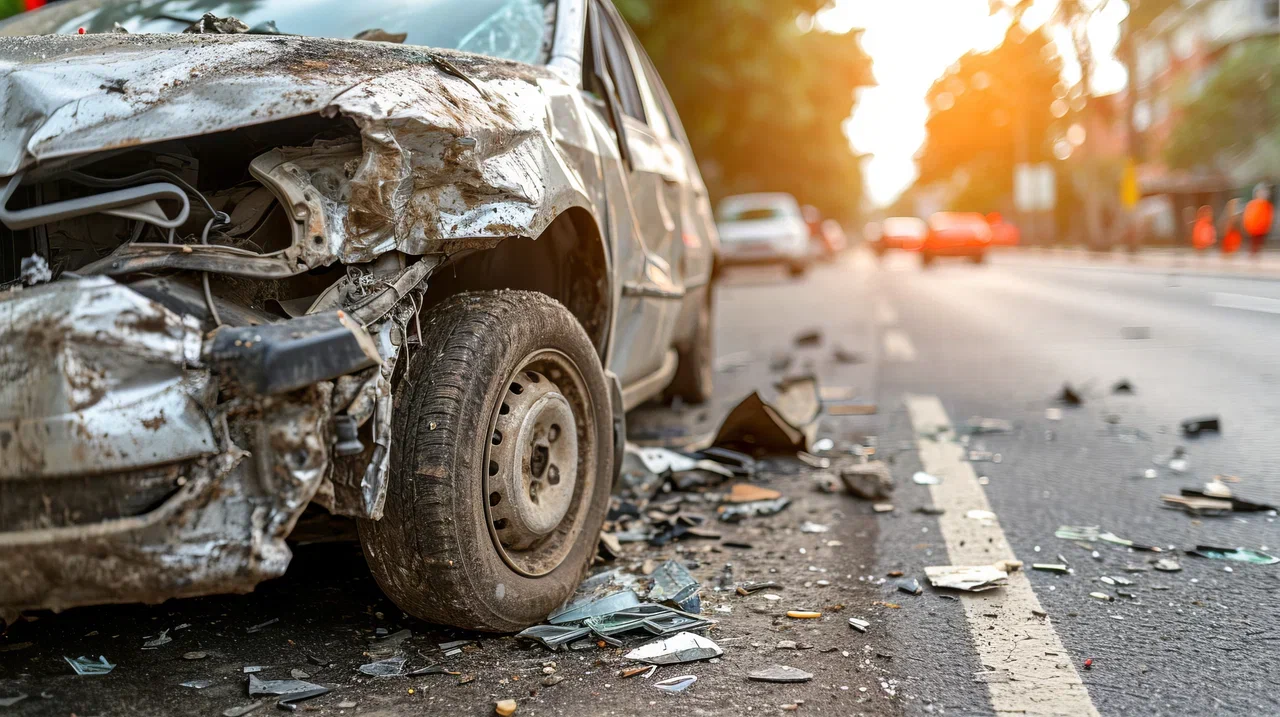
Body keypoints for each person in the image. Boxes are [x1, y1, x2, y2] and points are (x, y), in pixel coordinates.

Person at [1244, 184, 1275, 257]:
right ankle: (1253, 253)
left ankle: (1256, 253)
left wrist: (1267, 225)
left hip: (1262, 228)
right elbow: (1248, 215)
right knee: (1253, 242)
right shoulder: (1252, 204)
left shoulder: (1267, 205)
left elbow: (1269, 216)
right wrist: (1248, 224)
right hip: (1252, 227)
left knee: (1259, 242)